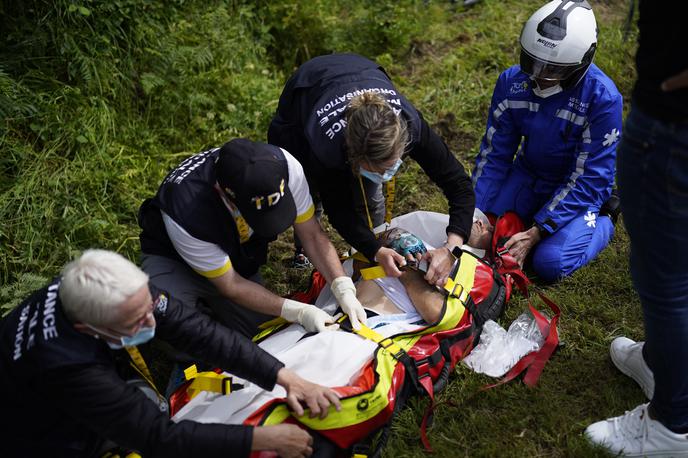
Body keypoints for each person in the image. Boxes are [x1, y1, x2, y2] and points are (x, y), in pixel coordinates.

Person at [0, 249, 341, 458]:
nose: (153, 322)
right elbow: (159, 438)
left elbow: (198, 331)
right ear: (89, 330)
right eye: (137, 322)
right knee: (150, 418)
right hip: (38, 434)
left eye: (149, 308)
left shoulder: (101, 285)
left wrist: (285, 377)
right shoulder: (70, 368)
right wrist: (264, 439)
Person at [268, 53, 475, 289]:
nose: (388, 175)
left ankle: (370, 243)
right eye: (378, 169)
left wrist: (451, 248)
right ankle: (304, 251)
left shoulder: (412, 127)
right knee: (309, 191)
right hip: (305, 94)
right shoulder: (327, 150)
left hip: (360, 69)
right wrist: (375, 251)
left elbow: (459, 185)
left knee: (370, 190)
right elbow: (340, 211)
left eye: (391, 166)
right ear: (353, 158)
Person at [584, 0, 688, 454]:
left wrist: (669, 87)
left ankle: (672, 424)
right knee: (674, 264)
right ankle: (660, 362)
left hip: (673, 127)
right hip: (668, 121)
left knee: (666, 282)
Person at [138, 138, 368, 335]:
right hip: (175, 259)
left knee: (262, 331)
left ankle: (215, 313)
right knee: (169, 321)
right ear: (227, 196)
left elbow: (312, 234)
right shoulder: (187, 210)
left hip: (235, 256)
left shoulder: (285, 166)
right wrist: (297, 310)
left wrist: (342, 286)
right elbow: (231, 285)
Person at [471, 0, 622, 282]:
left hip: (580, 187)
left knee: (549, 263)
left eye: (554, 69)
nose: (540, 75)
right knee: (483, 232)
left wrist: (538, 231)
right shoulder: (511, 83)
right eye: (533, 62)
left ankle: (605, 219)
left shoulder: (603, 99)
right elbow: (494, 154)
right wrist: (474, 213)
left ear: (583, 61)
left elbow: (590, 177)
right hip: (530, 172)